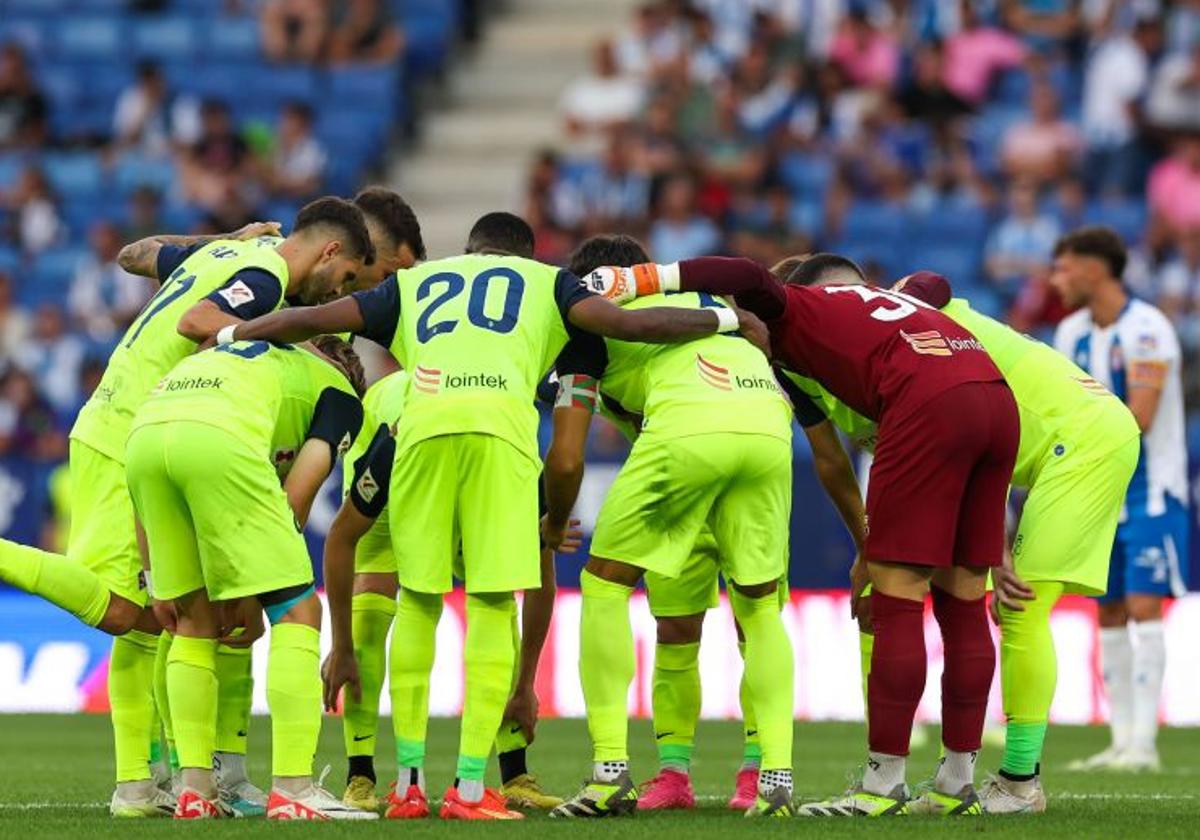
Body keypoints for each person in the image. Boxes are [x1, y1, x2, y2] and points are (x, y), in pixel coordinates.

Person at [222, 211, 759, 819]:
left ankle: (408, 786)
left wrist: (230, 336)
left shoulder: (413, 284)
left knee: (420, 602)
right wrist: (727, 318)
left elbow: (314, 318)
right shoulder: (549, 282)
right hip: (500, 435)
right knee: (492, 603)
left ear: (471, 250)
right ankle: (473, 789)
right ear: (525, 252)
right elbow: (629, 323)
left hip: (419, 432)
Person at [588, 252, 1018, 816]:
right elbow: (936, 279)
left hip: (927, 405)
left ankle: (882, 786)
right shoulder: (900, 298)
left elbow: (743, 275)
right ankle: (956, 783)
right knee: (964, 602)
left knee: (896, 599)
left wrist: (642, 279)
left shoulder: (796, 307)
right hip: (995, 400)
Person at [0, 199, 372, 818]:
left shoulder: (230, 252)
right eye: (350, 279)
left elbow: (134, 254)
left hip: (132, 422)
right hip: (138, 426)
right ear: (331, 251)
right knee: (132, 616)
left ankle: (149, 785)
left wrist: (224, 234)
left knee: (171, 620)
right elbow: (199, 321)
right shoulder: (269, 280)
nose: (335, 295)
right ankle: (215, 782)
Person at [552, 237, 865, 816]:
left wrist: (549, 518)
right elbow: (822, 443)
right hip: (765, 437)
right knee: (751, 612)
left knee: (604, 584)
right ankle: (767, 778)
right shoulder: (720, 307)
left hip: (683, 443)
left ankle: (611, 773)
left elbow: (566, 453)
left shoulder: (591, 320)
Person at [893, 270, 1139, 812]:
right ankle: (1005, 779)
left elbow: (971, 444)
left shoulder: (923, 330)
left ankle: (1020, 783)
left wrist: (997, 550)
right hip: (1081, 435)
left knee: (1021, 605)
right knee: (1019, 608)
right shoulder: (942, 323)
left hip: (1080, 443)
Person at [126, 336, 370, 820]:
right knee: (301, 609)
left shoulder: (259, 365)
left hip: (144, 436)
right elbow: (301, 488)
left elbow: (141, 500)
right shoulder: (339, 391)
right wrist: (261, 588)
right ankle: (294, 788)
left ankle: (195, 791)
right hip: (218, 439)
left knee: (193, 621)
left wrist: (158, 584)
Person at [322, 366, 574, 817]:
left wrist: (526, 684)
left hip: (451, 444)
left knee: (492, 588)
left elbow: (539, 577)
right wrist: (341, 645)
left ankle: (511, 774)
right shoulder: (396, 437)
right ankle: (361, 774)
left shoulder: (513, 448)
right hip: (404, 446)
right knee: (378, 600)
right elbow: (342, 540)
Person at [1051, 227, 1190, 772]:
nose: (1057, 280)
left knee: (1143, 605)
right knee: (1106, 610)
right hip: (1100, 494)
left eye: (1064, 268)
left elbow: (1141, 417)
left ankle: (1145, 745)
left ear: (1093, 269)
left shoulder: (1147, 329)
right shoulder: (1070, 332)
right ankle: (1120, 740)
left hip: (1151, 490)